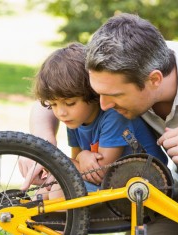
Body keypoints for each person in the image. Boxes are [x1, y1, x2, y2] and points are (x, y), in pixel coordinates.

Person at [26, 13, 178, 234]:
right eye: (97, 93)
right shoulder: (115, 64)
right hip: (174, 194)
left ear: (154, 80)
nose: (103, 105)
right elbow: (54, 90)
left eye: (114, 95)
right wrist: (44, 145)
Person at [19, 42, 168, 197]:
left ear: (92, 93)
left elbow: (100, 173)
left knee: (58, 191)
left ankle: (72, 221)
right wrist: (79, 158)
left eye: (70, 103)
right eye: (54, 104)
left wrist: (57, 160)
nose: (61, 112)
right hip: (114, 183)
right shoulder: (73, 119)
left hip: (148, 184)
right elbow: (78, 163)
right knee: (44, 191)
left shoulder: (113, 117)